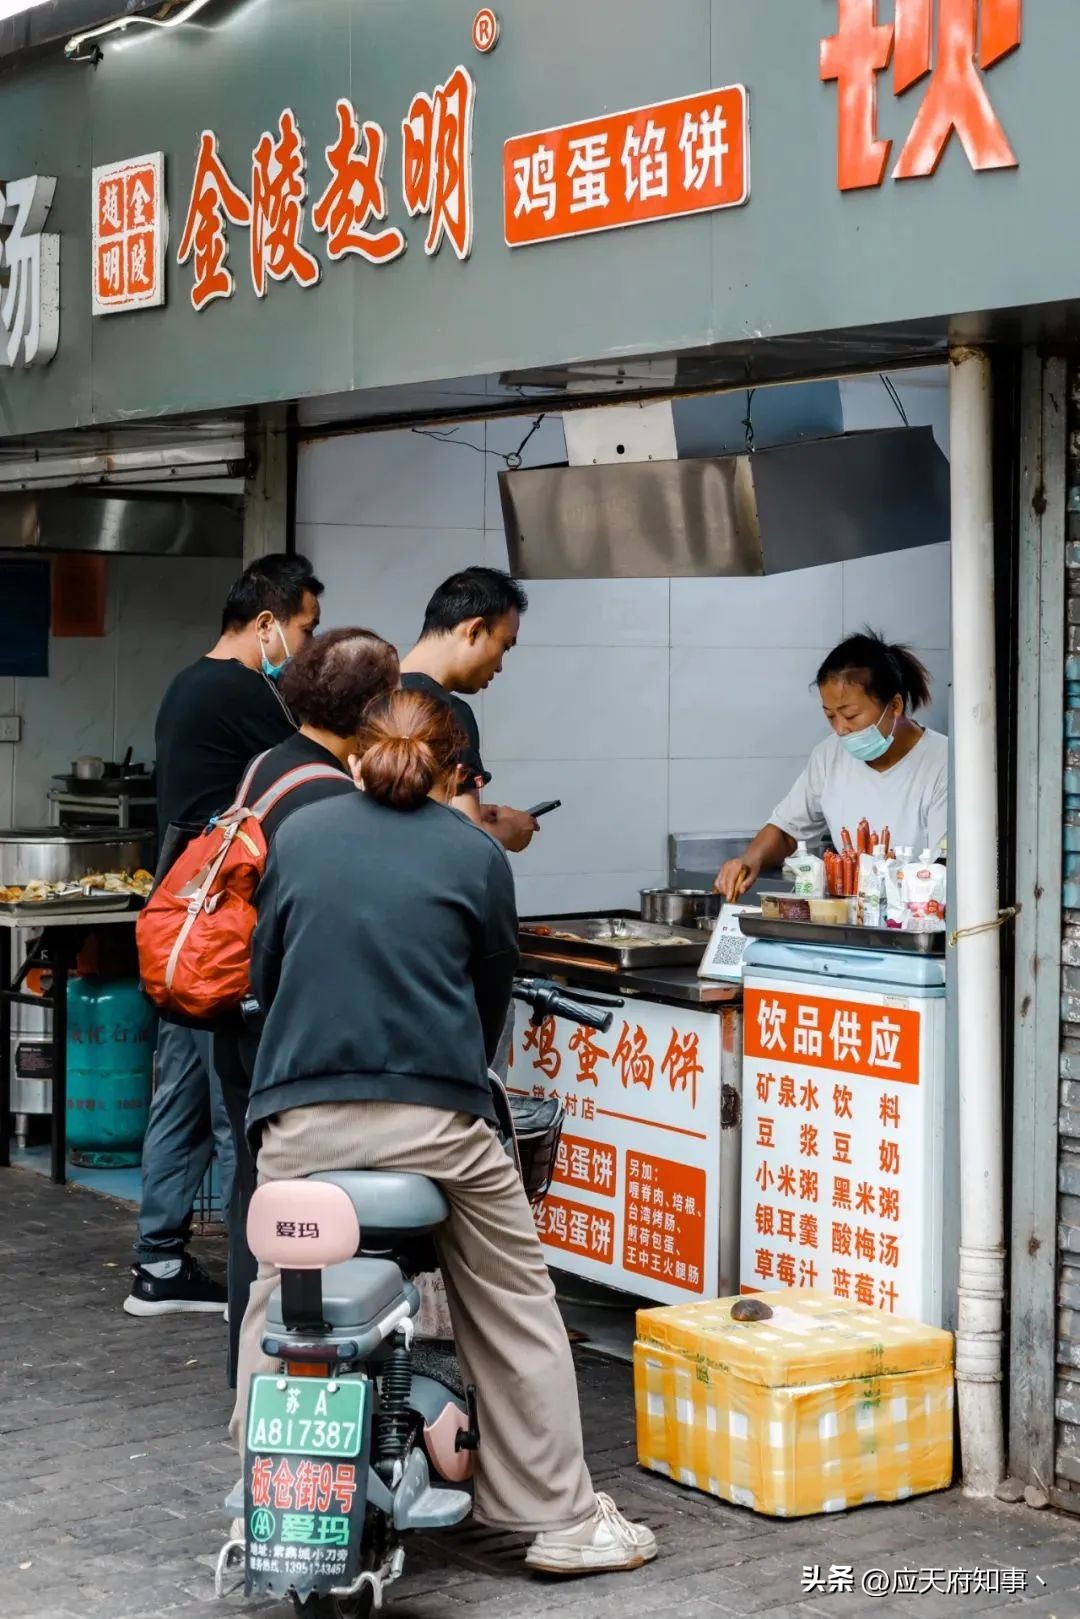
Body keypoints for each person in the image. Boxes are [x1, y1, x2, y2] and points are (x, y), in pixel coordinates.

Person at [232, 689, 657, 1575]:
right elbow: (489, 998)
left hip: (301, 1122)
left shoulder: (299, 837)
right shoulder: (474, 852)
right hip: (438, 1123)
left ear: (355, 755)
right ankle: (561, 1518)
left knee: (277, 1293)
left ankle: (261, 1495)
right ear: (453, 769)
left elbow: (266, 972)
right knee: (514, 1300)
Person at [126, 554, 323, 1318]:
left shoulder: (187, 683)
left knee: (179, 1090)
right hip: (223, 931)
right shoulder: (246, 693)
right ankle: (256, 1278)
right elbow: (315, 767)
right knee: (227, 1104)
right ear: (268, 621)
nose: (303, 646)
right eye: (303, 628)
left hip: (185, 926)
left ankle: (159, 1260)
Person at [214, 626, 399, 1383]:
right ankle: (305, 1367)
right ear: (370, 709)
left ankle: (251, 1356)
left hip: (238, 1013)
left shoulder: (269, 764)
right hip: (289, 1030)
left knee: (254, 1192)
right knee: (310, 1197)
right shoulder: (328, 797)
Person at [715, 631, 949, 901]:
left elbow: (945, 867)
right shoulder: (829, 756)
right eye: (830, 716)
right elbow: (788, 831)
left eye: (851, 715)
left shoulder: (944, 763)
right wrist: (749, 860)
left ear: (894, 705)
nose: (841, 729)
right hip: (855, 916)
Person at [400, 566, 539, 856]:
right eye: (504, 646)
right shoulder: (448, 714)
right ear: (474, 630)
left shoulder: (372, 695)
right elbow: (464, 842)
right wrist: (510, 832)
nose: (500, 665)